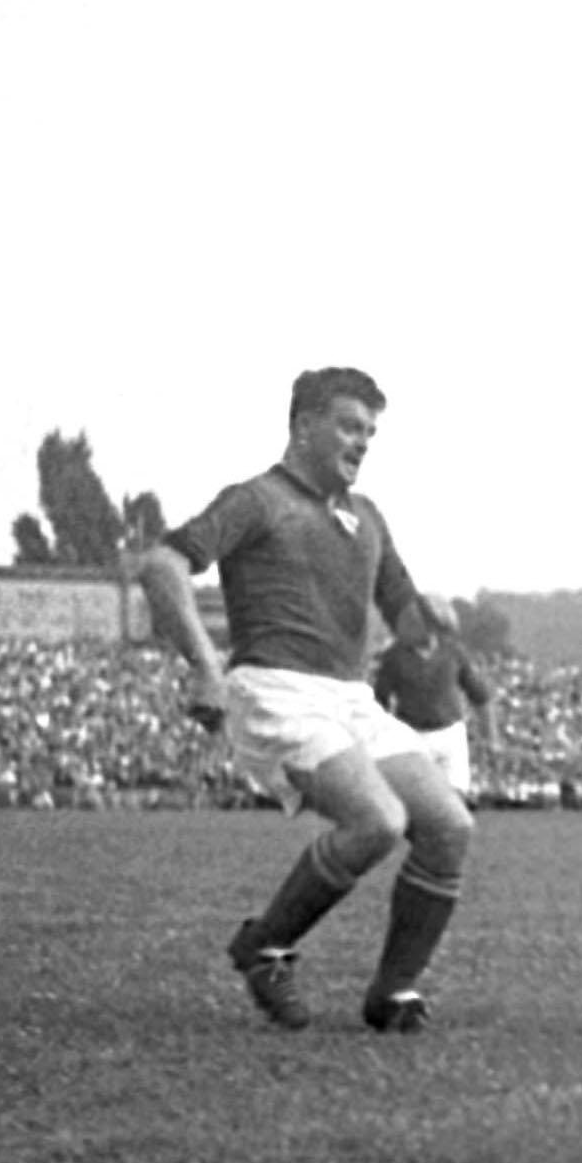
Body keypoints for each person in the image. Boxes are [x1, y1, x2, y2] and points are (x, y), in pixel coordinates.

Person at [138, 367, 477, 1034]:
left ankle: (393, 992)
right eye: (349, 426)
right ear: (303, 426)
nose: (362, 443)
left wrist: (426, 613)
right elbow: (161, 566)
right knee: (378, 820)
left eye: (370, 432)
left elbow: (401, 615)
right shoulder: (258, 500)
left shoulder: (367, 514)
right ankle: (265, 946)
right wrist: (206, 667)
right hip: (276, 689)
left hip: (349, 696)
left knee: (449, 825)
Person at [372, 596, 497, 802]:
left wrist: (491, 738)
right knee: (418, 804)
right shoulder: (394, 657)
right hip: (412, 736)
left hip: (450, 734)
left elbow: (481, 697)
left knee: (455, 802)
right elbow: (380, 702)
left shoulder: (454, 653)